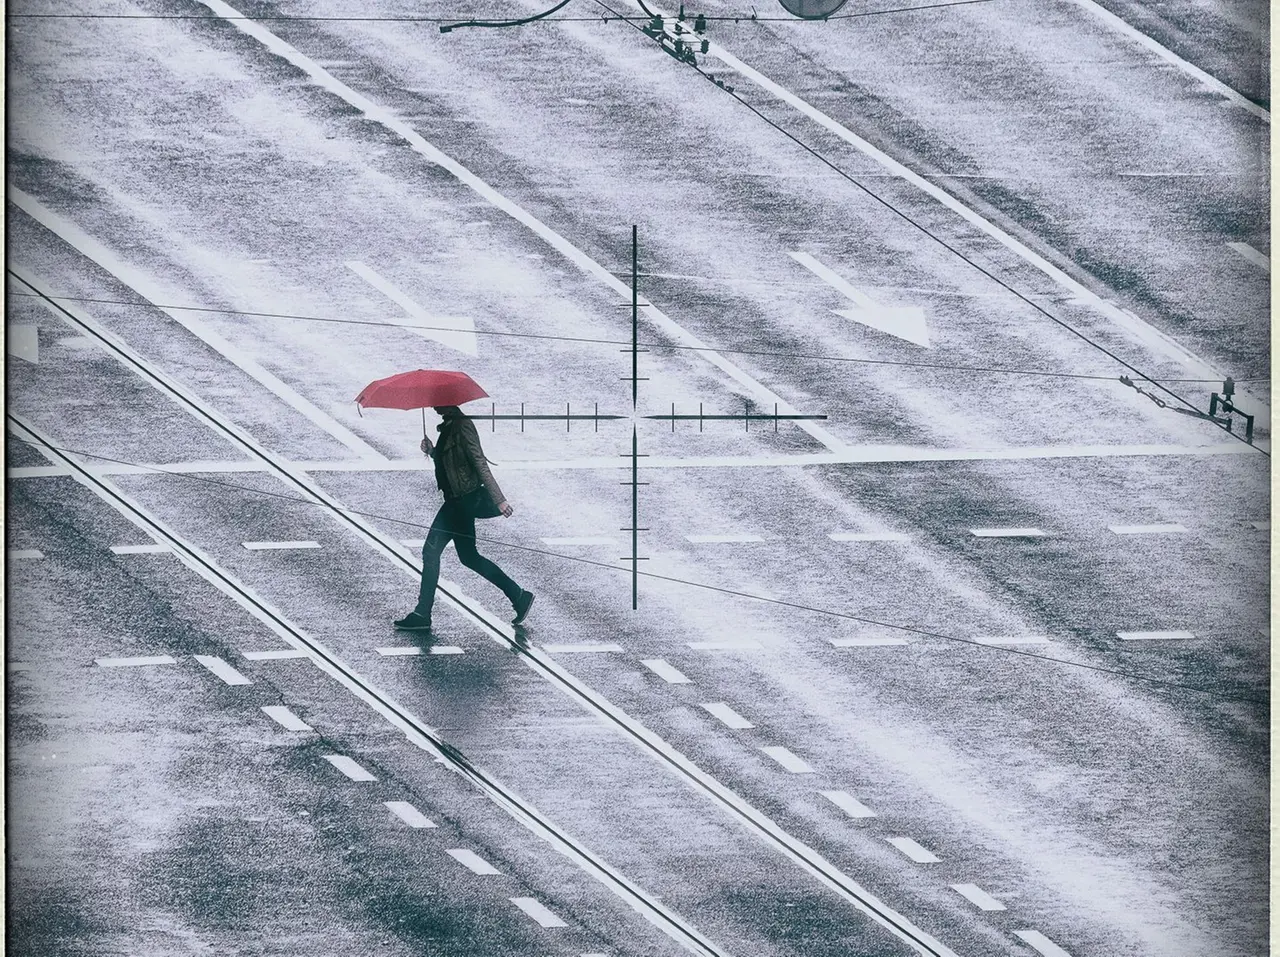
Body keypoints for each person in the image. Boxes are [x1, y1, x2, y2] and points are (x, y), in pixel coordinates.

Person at [394, 405, 534, 633]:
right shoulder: (449, 426)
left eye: (437, 402)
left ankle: (422, 613)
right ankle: (519, 596)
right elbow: (451, 464)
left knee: (431, 552)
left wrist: (499, 500)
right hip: (456, 502)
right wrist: (432, 451)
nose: (433, 405)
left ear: (449, 403)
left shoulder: (462, 426)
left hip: (461, 502)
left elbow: (479, 463)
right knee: (469, 557)